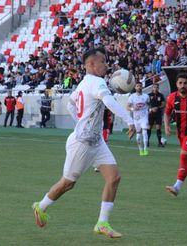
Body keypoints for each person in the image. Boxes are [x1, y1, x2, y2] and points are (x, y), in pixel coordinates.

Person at [32, 47, 136, 238]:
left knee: (114, 178)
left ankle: (102, 223)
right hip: (82, 143)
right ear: (91, 64)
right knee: (67, 184)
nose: (106, 65)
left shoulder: (84, 84)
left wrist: (80, 121)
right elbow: (109, 102)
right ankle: (41, 205)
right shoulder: (97, 82)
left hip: (96, 141)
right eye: (103, 61)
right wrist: (130, 120)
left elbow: (71, 103)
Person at [128, 81, 150, 156]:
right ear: (135, 87)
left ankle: (146, 149)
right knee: (138, 135)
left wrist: (149, 110)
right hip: (136, 118)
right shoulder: (132, 97)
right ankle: (140, 150)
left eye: (140, 86)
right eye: (137, 86)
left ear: (142, 87)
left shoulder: (146, 96)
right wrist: (133, 109)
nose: (139, 87)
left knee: (145, 132)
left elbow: (148, 104)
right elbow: (127, 107)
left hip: (144, 116)